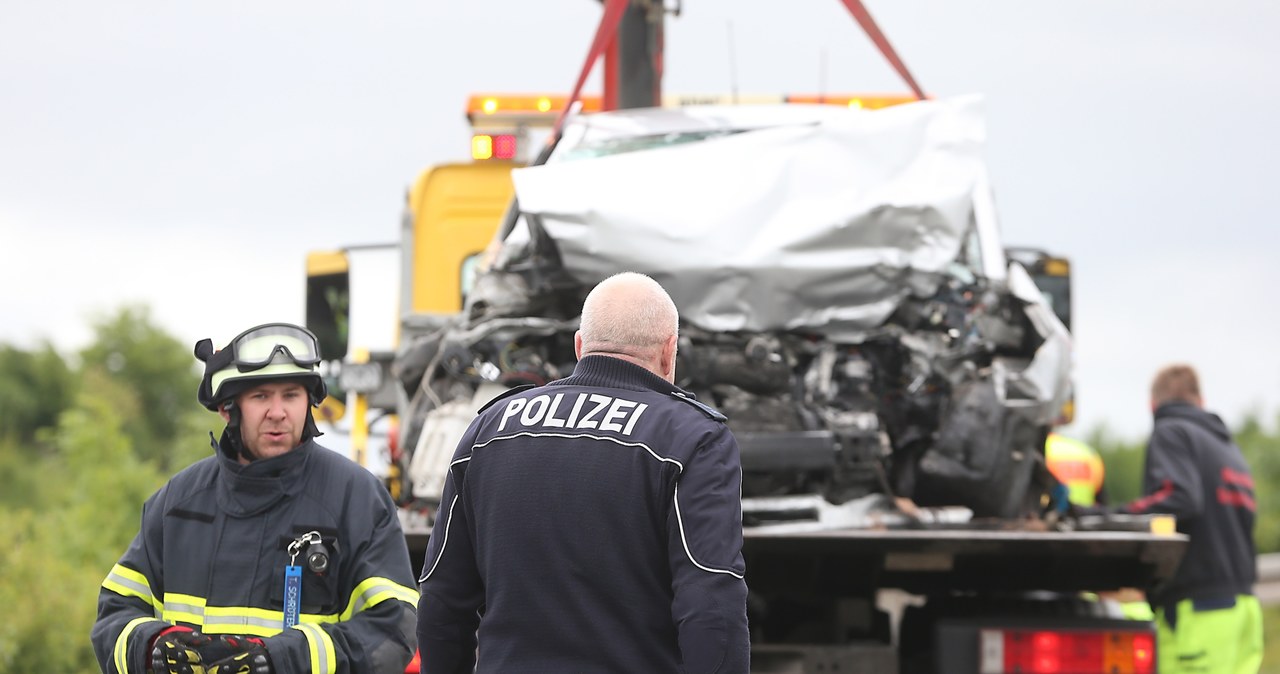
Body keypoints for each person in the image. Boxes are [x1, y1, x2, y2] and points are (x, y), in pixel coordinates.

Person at [416, 272, 750, 673]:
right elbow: (710, 603)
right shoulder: (692, 437)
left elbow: (442, 596)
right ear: (669, 350)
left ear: (579, 346)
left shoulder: (490, 429)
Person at [91, 322, 420, 674]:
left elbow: (394, 630)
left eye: (291, 395)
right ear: (228, 408)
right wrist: (152, 646)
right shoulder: (178, 503)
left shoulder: (355, 498)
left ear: (308, 402)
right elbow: (114, 614)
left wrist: (284, 660)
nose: (278, 412)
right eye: (261, 396)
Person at [1119, 364, 1261, 673]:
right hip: (1243, 612)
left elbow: (1179, 498)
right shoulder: (1226, 447)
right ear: (1201, 400)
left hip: (1199, 613)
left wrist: (1113, 516)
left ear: (1152, 405)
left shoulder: (1171, 431)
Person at [1044, 432, 1106, 507]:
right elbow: (1102, 500)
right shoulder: (1089, 453)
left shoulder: (1042, 451)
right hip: (1085, 515)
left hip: (1050, 514)